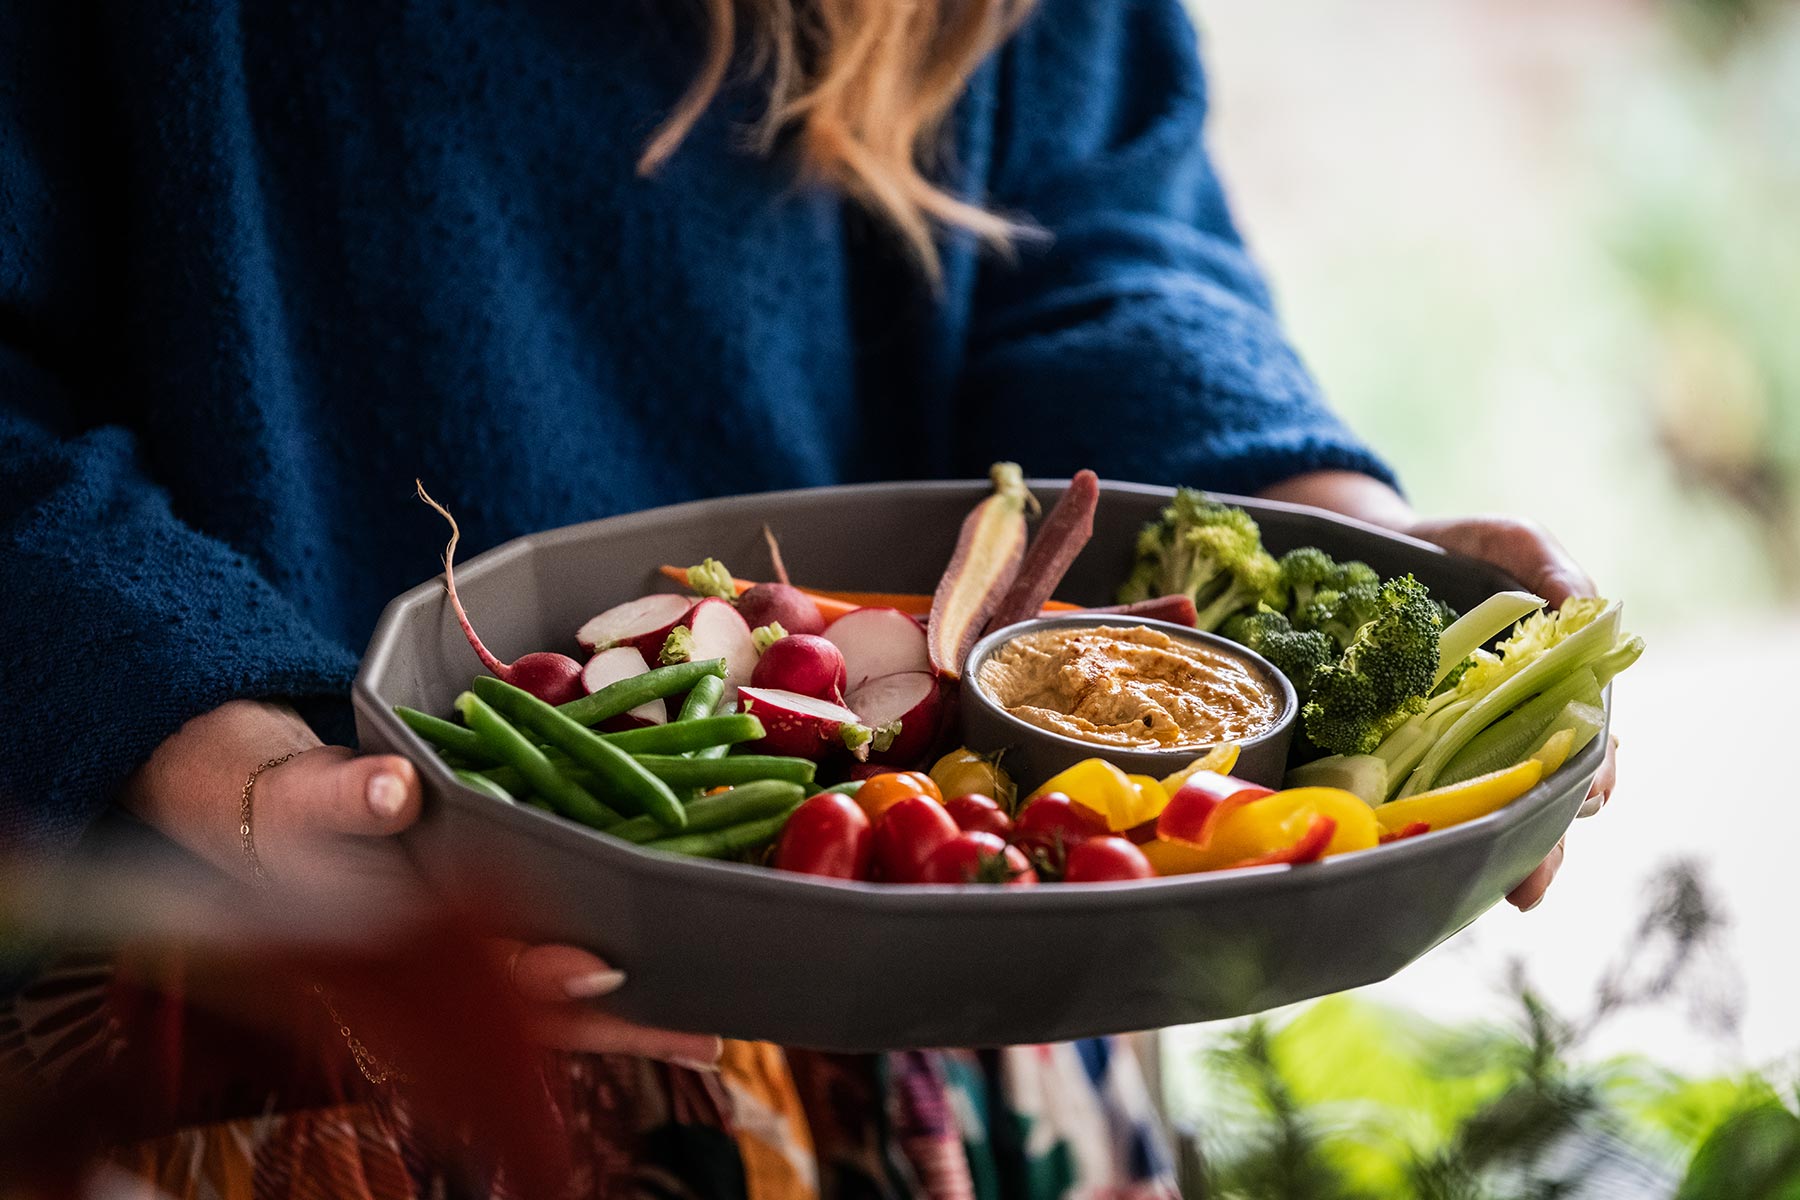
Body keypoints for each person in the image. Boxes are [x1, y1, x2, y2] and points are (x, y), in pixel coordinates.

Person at [0, 0, 1616, 1194]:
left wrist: (1326, 528)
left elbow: (1092, 224)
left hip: (967, 988)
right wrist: (223, 762)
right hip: (250, 1022)